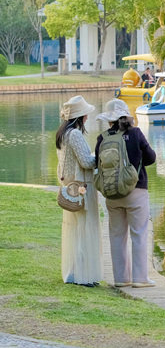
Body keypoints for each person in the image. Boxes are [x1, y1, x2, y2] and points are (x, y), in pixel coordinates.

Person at [95, 99, 157, 288]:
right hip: (136, 190)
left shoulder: (103, 137)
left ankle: (121, 278)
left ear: (109, 120)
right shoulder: (135, 133)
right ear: (126, 116)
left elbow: (97, 162)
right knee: (138, 234)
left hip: (112, 194)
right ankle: (140, 278)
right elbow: (151, 158)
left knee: (116, 235)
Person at [56, 96, 101, 287]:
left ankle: (74, 273)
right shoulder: (74, 134)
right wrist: (99, 155)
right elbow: (86, 162)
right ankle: (83, 276)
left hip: (70, 187)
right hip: (82, 187)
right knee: (84, 227)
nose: (87, 118)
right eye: (85, 115)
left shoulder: (62, 134)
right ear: (79, 117)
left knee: (74, 229)